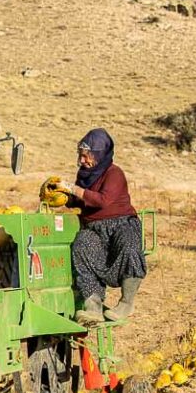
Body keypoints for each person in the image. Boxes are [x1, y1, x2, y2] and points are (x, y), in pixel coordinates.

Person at [60, 129, 146, 324]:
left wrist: (75, 190)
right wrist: (63, 196)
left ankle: (126, 303)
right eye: (80, 156)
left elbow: (103, 201)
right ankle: (93, 307)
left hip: (120, 224)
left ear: (100, 155)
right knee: (82, 245)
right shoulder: (84, 176)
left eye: (86, 156)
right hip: (94, 229)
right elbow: (82, 202)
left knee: (129, 243)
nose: (82, 161)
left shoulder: (114, 174)